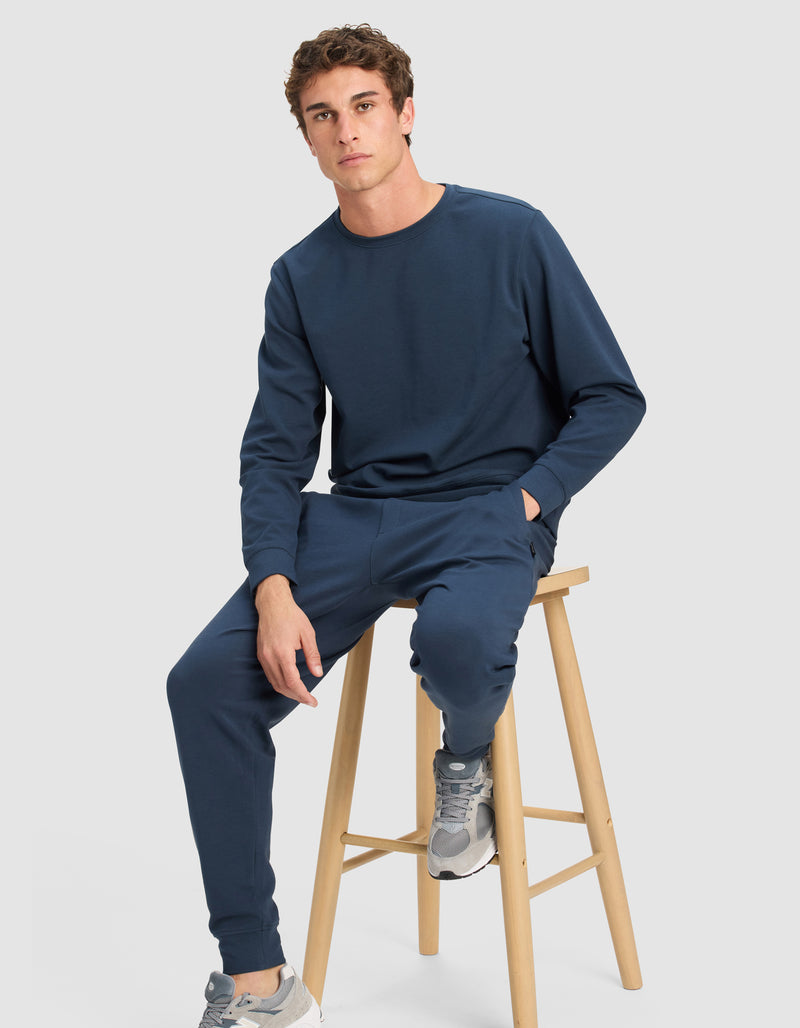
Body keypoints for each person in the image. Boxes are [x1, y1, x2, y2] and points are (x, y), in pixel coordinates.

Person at [167, 23, 645, 1028]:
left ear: (406, 111)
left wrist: (524, 497)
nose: (346, 131)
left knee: (458, 639)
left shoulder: (509, 233)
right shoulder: (300, 275)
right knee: (204, 681)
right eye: (321, 116)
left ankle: (461, 759)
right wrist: (270, 582)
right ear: (304, 136)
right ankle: (256, 977)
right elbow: (273, 449)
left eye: (363, 106)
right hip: (355, 517)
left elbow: (608, 395)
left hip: (484, 510)